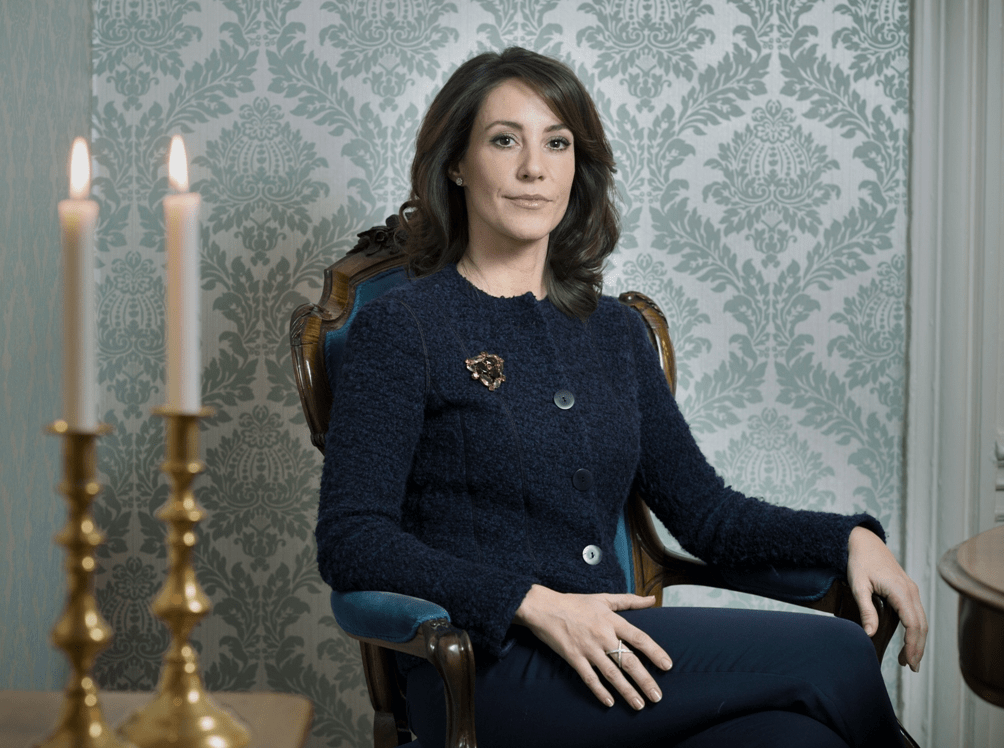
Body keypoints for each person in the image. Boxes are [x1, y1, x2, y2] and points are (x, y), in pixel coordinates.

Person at [315, 47, 927, 747]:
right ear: (456, 162)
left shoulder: (614, 332)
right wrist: (527, 602)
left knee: (797, 739)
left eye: (557, 143)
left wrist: (847, 536)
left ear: (578, 165)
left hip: (614, 656)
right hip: (486, 670)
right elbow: (352, 539)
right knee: (837, 653)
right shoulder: (404, 327)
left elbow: (707, 515)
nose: (534, 168)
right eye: (505, 140)